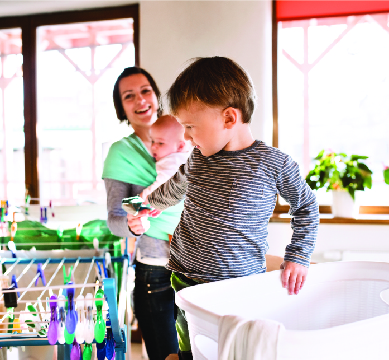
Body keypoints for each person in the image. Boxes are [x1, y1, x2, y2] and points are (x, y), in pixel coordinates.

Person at [135, 57, 320, 360]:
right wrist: (150, 204)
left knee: (232, 350)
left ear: (229, 119)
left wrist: (298, 255)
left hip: (237, 286)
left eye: (190, 126)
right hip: (184, 276)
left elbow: (306, 207)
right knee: (189, 346)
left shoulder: (273, 163)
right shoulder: (198, 159)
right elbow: (175, 187)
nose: (186, 137)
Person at [102, 67, 181, 360]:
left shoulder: (185, 136)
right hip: (156, 268)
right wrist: (134, 225)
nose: (140, 100)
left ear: (156, 95)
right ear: (121, 107)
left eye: (145, 90)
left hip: (199, 264)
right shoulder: (120, 154)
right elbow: (114, 218)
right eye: (129, 96)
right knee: (165, 355)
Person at [139, 114, 192, 200]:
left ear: (180, 146)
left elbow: (162, 183)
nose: (153, 147)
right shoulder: (188, 152)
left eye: (160, 143)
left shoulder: (169, 162)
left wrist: (144, 195)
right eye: (152, 141)